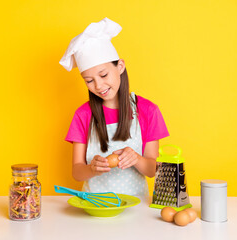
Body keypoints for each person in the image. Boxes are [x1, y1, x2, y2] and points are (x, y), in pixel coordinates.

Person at [59, 17, 169, 197]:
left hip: (136, 207)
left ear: (120, 66)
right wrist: (92, 169)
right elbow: (77, 172)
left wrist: (136, 159)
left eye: (103, 75)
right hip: (95, 205)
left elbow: (152, 170)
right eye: (89, 81)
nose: (99, 85)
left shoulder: (148, 110)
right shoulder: (83, 114)